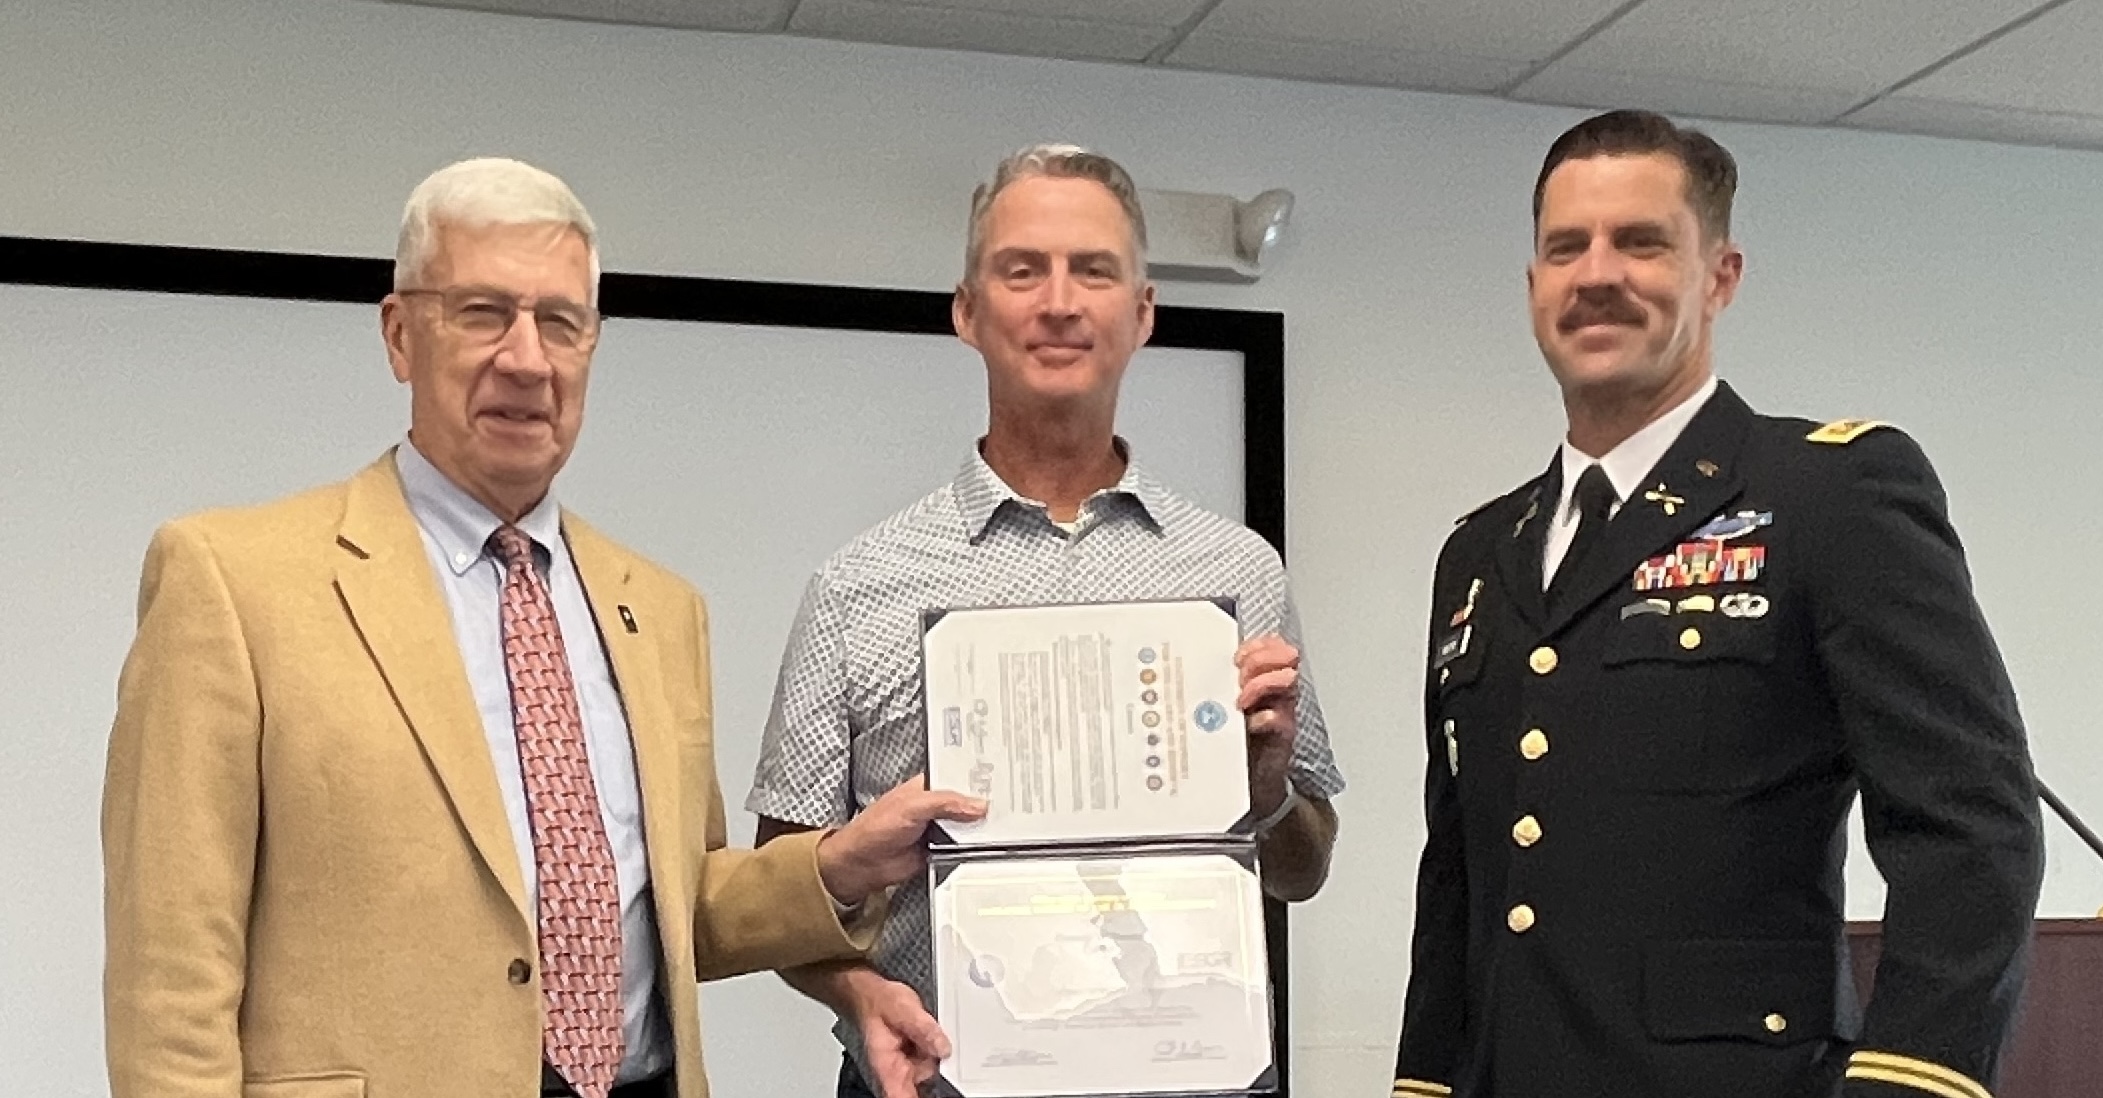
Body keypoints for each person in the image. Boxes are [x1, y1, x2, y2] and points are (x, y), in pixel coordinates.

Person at [100, 156, 984, 1098]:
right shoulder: (234, 581)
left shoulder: (660, 607)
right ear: (401, 335)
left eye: (559, 323)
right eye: (482, 312)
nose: (525, 358)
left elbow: (673, 908)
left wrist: (840, 863)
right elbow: (171, 974)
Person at [1389, 109, 2045, 1098]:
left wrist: (1913, 1083)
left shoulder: (1828, 495)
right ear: (1534, 288)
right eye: (1567, 248)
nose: (1597, 274)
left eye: (1642, 243)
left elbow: (1970, 831)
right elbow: (1462, 878)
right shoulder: (1481, 552)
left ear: (1720, 276)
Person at [744, 143, 1348, 1098]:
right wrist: (856, 995)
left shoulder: (1237, 571)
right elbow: (777, 895)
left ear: (1142, 312)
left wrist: (1267, 789)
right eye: (1022, 270)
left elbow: (1302, 867)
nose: (1059, 301)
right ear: (967, 311)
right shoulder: (856, 585)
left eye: (1093, 270)